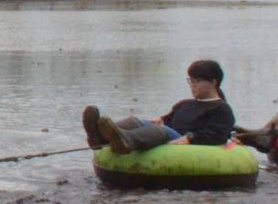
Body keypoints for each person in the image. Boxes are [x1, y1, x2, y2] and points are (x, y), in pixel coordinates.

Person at [82, 59, 234, 155]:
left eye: (196, 81)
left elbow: (217, 135)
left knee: (161, 131)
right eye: (190, 80)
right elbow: (169, 120)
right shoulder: (184, 104)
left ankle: (125, 140)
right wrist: (161, 119)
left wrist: (189, 137)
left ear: (213, 82)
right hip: (172, 136)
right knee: (137, 121)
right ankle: (99, 136)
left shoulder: (221, 109)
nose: (192, 85)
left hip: (187, 143)